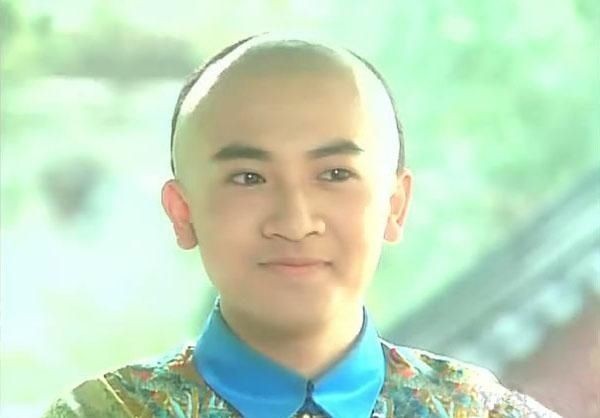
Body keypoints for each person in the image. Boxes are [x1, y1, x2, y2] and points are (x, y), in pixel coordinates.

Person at [42, 33, 561, 418]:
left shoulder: (483, 413)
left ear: (395, 205)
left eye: (335, 175)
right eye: (248, 178)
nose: (295, 222)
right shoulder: (103, 413)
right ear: (182, 212)